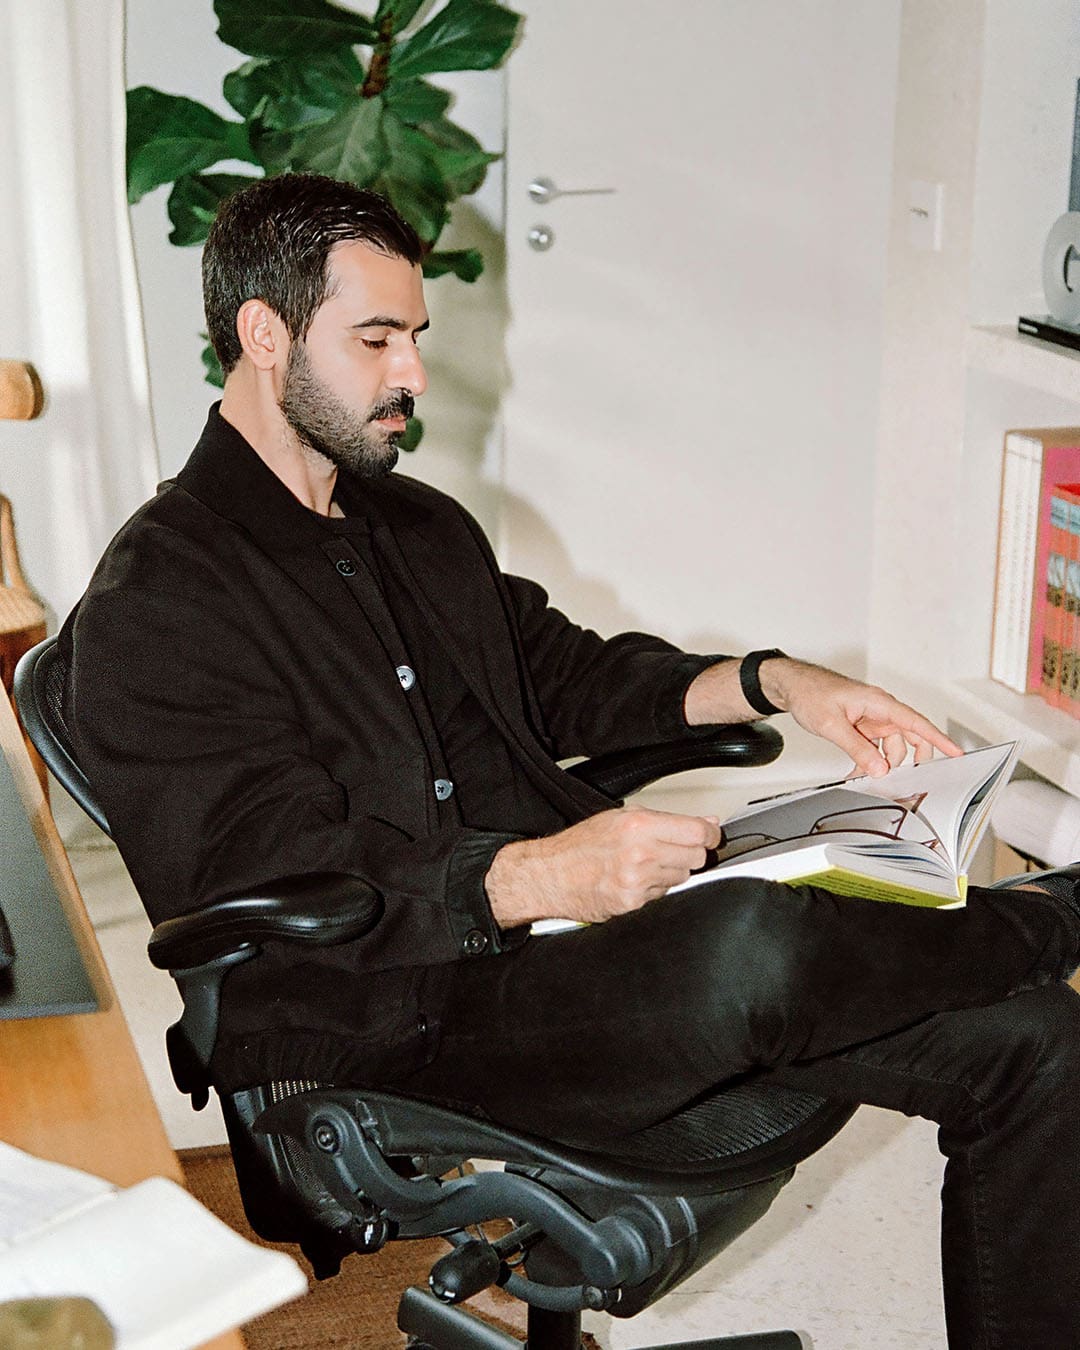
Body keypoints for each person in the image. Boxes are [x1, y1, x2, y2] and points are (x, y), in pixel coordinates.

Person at [61, 174, 1080, 1346]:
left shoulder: (417, 529)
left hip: (562, 972)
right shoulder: (166, 595)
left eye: (416, 338)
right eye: (376, 339)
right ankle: (1046, 918)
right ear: (262, 335)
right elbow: (266, 866)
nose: (413, 376)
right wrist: (542, 876)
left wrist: (786, 682)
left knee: (1042, 1046)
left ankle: (1005, 934)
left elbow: (573, 675)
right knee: (746, 936)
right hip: (384, 1013)